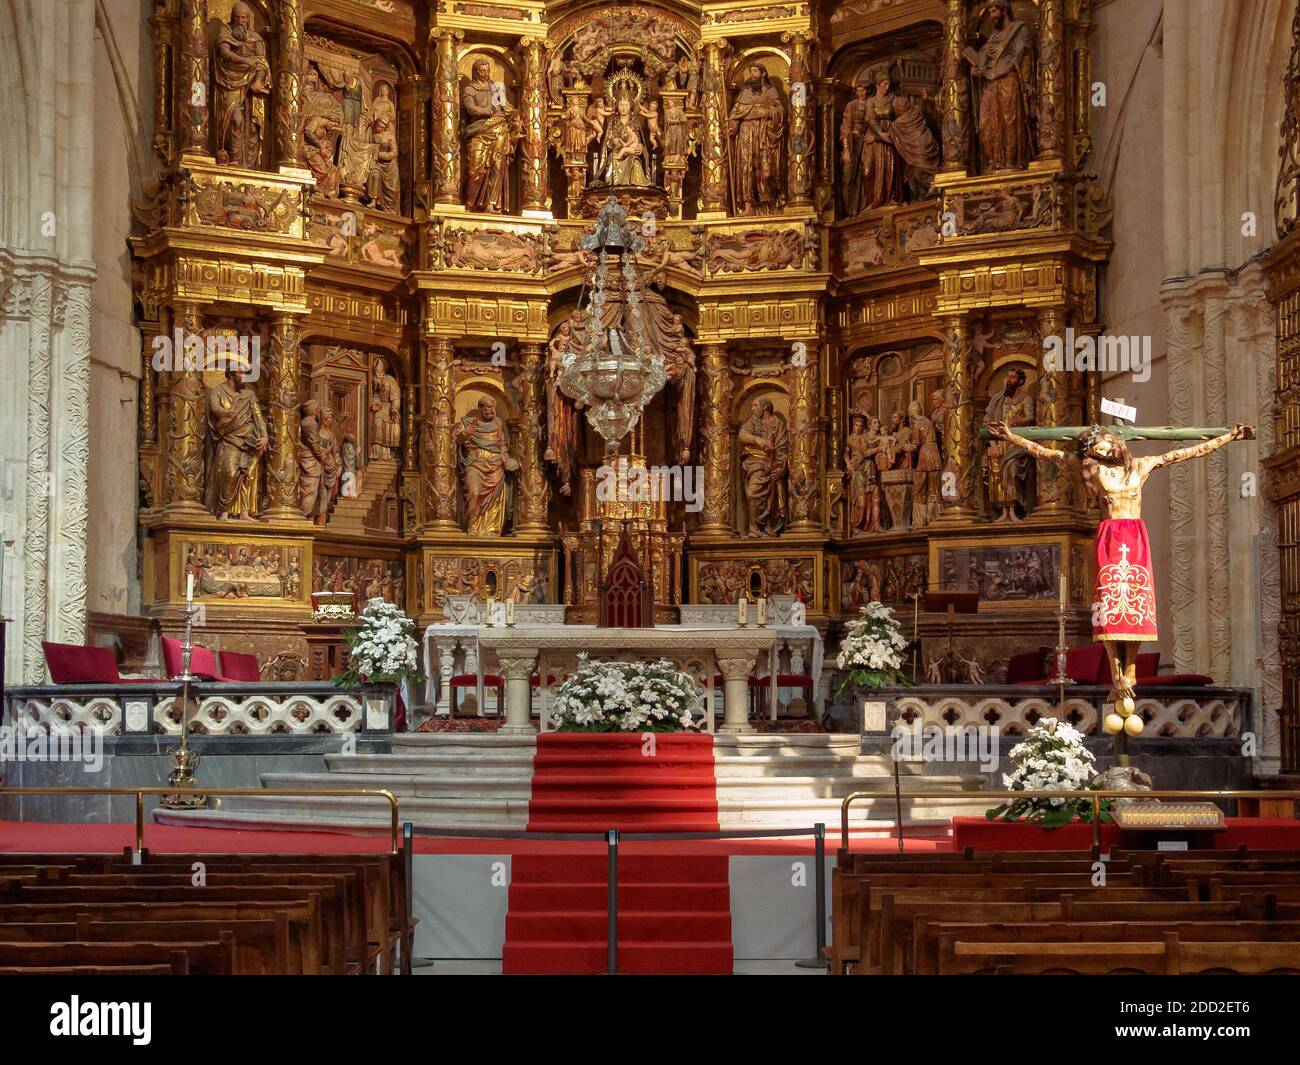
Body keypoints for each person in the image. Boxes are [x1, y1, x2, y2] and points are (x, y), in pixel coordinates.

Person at [988, 420, 1252, 734]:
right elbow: (1046, 454)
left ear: (1117, 443)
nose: (1105, 447)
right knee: (1112, 607)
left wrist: (1228, 437)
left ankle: (1130, 674)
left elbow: (1188, 452)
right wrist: (1011, 437)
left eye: (1108, 442)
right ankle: (1117, 672)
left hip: (1135, 536)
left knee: (1137, 606)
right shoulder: (1092, 470)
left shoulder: (1142, 465)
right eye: (1098, 446)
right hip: (1111, 536)